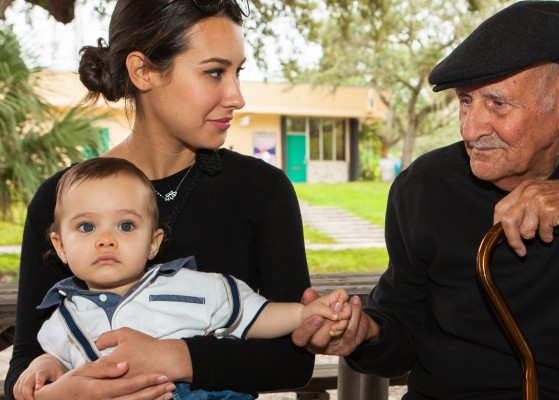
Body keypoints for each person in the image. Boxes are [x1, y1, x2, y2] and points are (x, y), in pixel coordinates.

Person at [292, 1, 559, 398]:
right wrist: (365, 333)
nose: (472, 129)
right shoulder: (424, 187)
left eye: (497, 103)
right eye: (466, 101)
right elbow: (402, 333)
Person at [5, 0, 319, 398]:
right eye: (215, 72)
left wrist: (174, 357)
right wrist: (59, 394)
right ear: (143, 71)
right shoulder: (62, 198)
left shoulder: (262, 191)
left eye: (237, 72)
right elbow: (27, 362)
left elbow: (292, 361)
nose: (237, 96)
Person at [35, 158, 349, 400]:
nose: (106, 239)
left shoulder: (191, 287)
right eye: (87, 227)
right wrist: (45, 368)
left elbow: (255, 315)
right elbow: (61, 363)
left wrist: (303, 313)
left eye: (126, 226)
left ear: (153, 243)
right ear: (60, 246)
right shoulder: (62, 319)